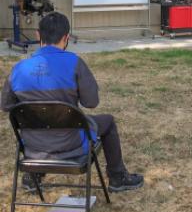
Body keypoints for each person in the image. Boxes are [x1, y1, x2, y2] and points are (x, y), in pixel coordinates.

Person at [0, 12, 143, 193]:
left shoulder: (18, 69)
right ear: (66, 37)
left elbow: (6, 106)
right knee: (108, 121)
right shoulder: (74, 63)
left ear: (38, 35)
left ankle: (32, 175)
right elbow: (91, 102)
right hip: (72, 144)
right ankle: (117, 177)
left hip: (33, 148)